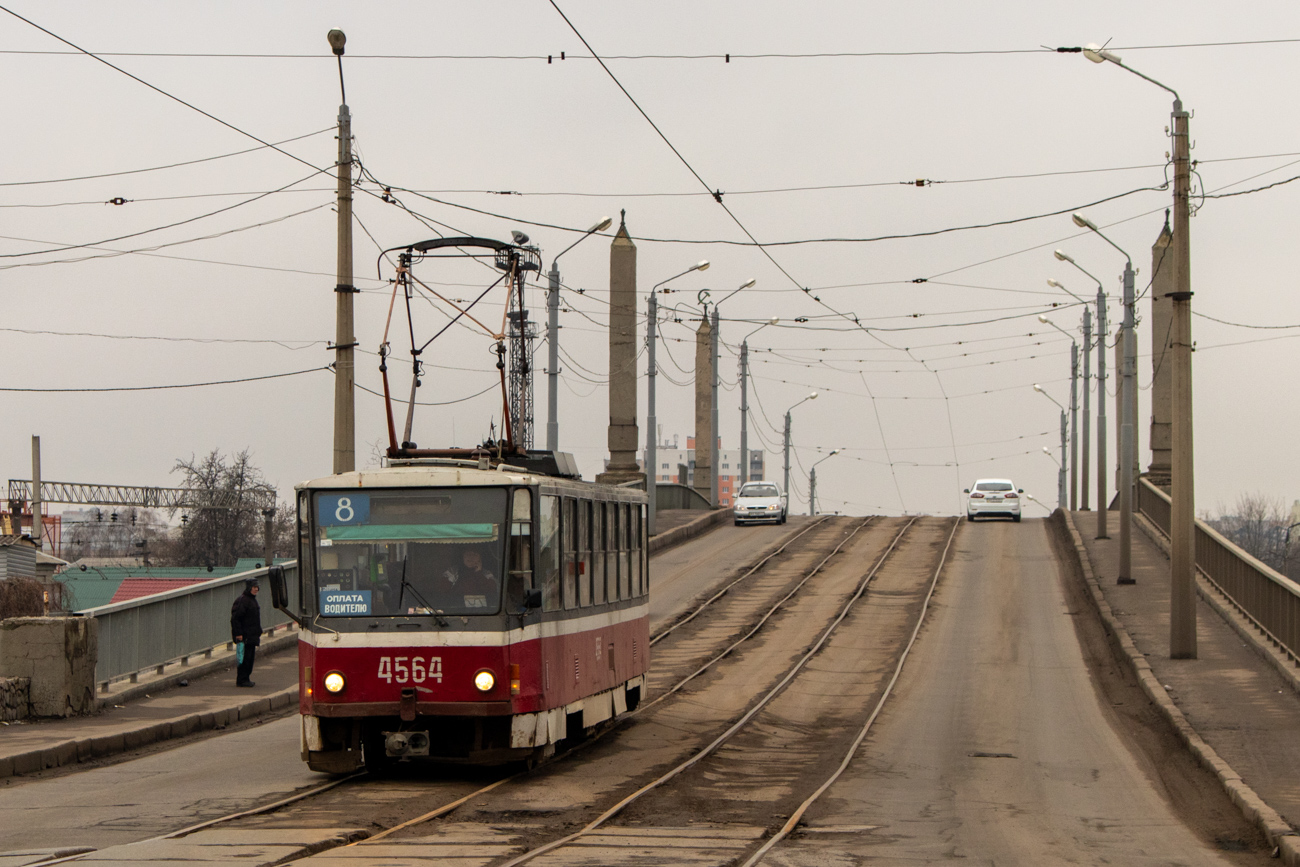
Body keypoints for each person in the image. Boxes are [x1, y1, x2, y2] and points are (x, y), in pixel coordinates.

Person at [436, 546, 500, 610]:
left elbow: (492, 591)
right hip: (456, 610)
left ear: (480, 558)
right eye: (468, 554)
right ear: (463, 557)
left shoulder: (486, 573)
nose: (471, 557)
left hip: (482, 612)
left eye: (475, 554)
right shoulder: (453, 571)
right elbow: (442, 591)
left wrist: (478, 573)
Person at [230, 577, 262, 687]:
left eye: (257, 587)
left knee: (249, 658)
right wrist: (238, 634)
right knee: (244, 658)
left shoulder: (251, 600)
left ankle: (246, 678)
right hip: (245, 636)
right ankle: (242, 679)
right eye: (254, 587)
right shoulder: (243, 601)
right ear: (249, 588)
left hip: (251, 635)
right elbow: (236, 619)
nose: (256, 589)